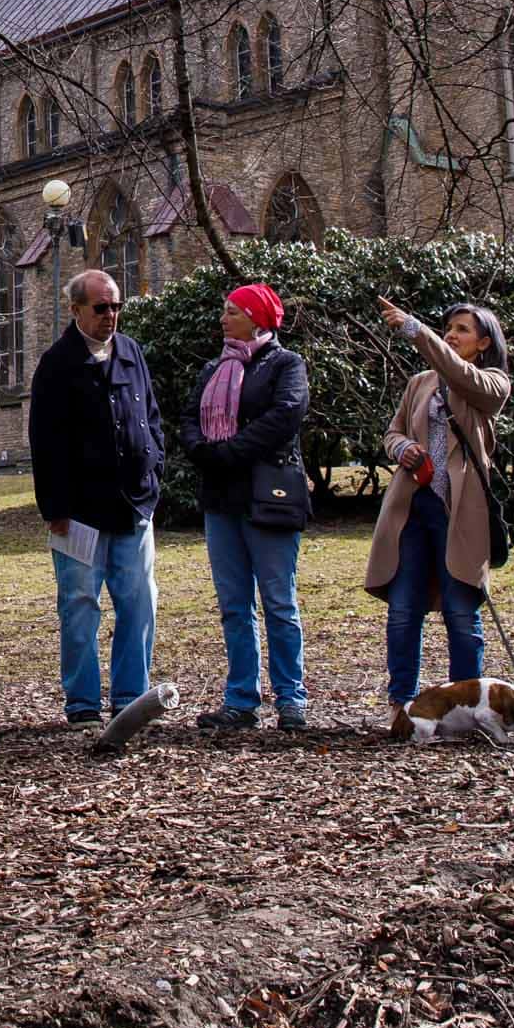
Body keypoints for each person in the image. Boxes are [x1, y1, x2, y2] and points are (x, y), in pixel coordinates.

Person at [363, 298, 511, 737]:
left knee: (461, 615)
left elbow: (459, 373)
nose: (451, 334)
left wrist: (415, 329)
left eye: (463, 329)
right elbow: (392, 432)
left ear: (483, 343)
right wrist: (402, 448)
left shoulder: (491, 383)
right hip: (412, 509)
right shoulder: (419, 383)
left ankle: (463, 710)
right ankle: (402, 707)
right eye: (448, 327)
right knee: (403, 611)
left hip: (461, 514)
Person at [28, 269, 162, 724]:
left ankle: (131, 698)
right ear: (76, 310)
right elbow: (44, 441)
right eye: (101, 307)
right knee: (80, 607)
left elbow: (151, 416)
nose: (111, 315)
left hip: (134, 503)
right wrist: (55, 508)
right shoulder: (56, 362)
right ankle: (82, 703)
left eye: (116, 306)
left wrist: (154, 469)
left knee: (139, 602)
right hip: (79, 512)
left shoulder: (131, 352)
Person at [187, 282, 312, 732]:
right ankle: (241, 699)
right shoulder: (212, 368)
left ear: (257, 319)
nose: (223, 319)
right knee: (234, 605)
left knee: (279, 602)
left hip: (269, 500)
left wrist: (231, 450)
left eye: (233, 311)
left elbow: (286, 415)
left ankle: (291, 699)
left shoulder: (286, 365)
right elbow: (189, 418)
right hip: (222, 500)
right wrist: (201, 450)